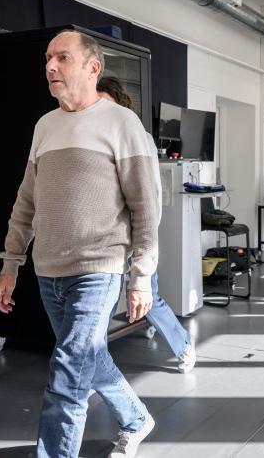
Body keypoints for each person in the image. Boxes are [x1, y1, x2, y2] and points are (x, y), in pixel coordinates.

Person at [0, 30, 160, 458]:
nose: (50, 67)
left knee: (68, 373)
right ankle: (137, 418)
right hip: (48, 269)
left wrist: (140, 276)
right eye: (48, 58)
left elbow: (146, 206)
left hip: (98, 268)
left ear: (93, 67)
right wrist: (10, 264)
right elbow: (26, 200)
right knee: (86, 356)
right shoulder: (45, 125)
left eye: (62, 58)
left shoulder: (122, 123)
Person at [97, 75, 196, 373]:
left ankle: (183, 345)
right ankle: (91, 370)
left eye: (107, 104)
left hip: (135, 234)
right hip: (105, 240)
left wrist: (145, 240)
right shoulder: (92, 138)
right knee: (100, 309)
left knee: (147, 298)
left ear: (122, 106)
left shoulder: (139, 138)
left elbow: (150, 193)